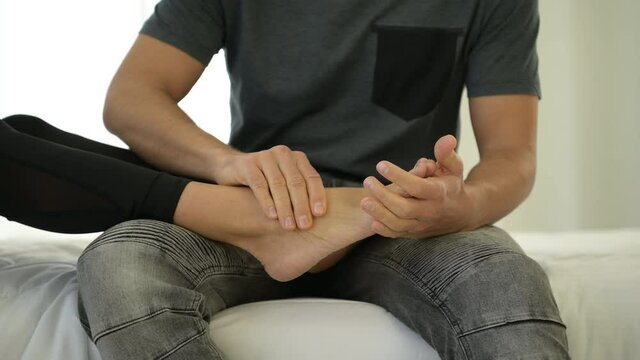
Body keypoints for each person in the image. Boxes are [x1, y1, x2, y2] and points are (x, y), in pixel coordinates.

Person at [0, 0, 570, 359]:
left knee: (502, 282)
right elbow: (131, 98)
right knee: (121, 266)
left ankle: (318, 212)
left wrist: (462, 204)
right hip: (261, 208)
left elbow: (513, 155)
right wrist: (229, 165)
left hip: (398, 221)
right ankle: (261, 218)